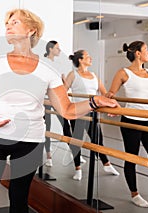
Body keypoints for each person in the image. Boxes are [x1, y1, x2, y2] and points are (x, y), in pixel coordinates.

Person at [0, 8, 119, 213]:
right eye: (7, 24)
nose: (8, 26)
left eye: (14, 22)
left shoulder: (48, 70)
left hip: (30, 141)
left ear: (31, 30)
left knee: (19, 199)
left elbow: (68, 110)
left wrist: (95, 102)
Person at [106, 41, 148, 208]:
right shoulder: (124, 73)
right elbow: (111, 93)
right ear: (138, 53)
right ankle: (135, 193)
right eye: (146, 50)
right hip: (130, 121)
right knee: (131, 157)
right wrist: (113, 104)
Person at [65, 50, 119, 181]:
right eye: (88, 56)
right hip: (77, 112)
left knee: (98, 140)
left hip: (92, 113)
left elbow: (104, 93)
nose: (91, 58)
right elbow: (62, 92)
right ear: (80, 60)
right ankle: (78, 168)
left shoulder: (94, 75)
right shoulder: (73, 75)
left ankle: (106, 164)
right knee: (76, 141)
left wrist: (112, 100)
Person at [43, 40, 72, 167]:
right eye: (57, 48)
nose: (59, 50)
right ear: (50, 49)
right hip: (46, 99)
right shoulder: (44, 63)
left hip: (57, 99)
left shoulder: (58, 64)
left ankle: (74, 152)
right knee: (47, 126)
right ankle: (48, 155)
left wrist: (64, 89)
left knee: (65, 124)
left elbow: (63, 82)